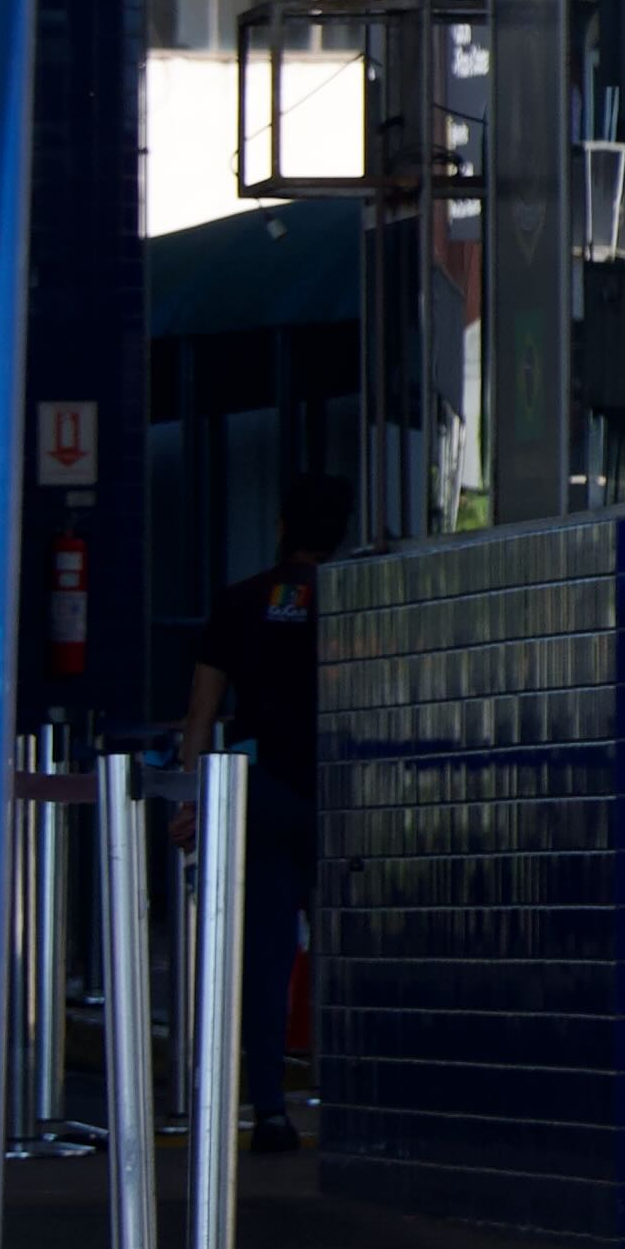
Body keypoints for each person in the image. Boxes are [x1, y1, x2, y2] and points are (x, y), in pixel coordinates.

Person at [170, 474, 352, 1148]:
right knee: (346, 947)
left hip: (265, 786)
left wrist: (191, 793)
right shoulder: (354, 599)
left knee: (268, 952)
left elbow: (202, 706)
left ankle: (270, 1108)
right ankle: (350, 1097)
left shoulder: (241, 600)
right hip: (340, 788)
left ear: (281, 526)